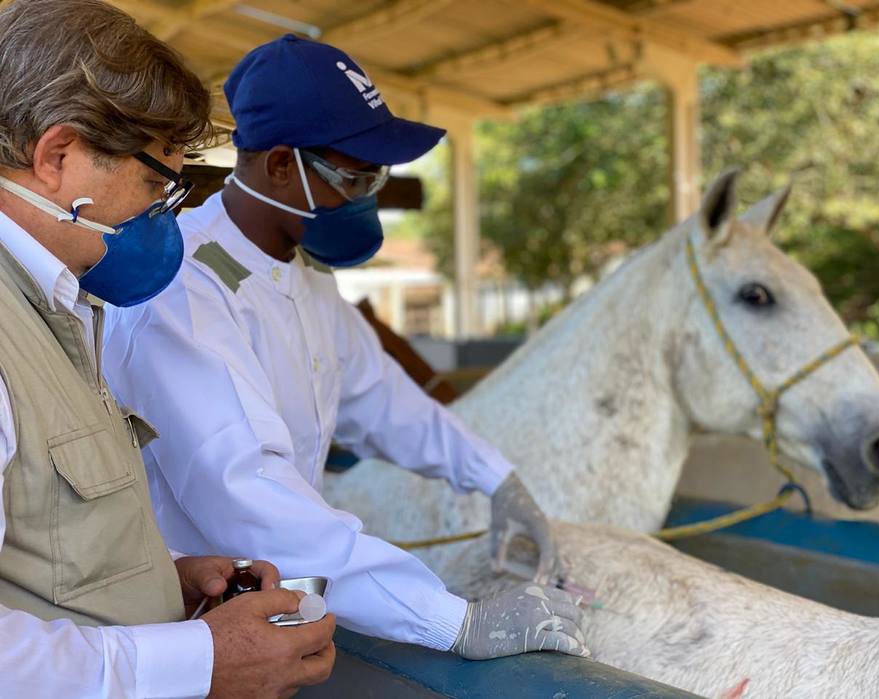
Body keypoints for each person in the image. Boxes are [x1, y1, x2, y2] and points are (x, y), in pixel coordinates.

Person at [103, 34, 588, 660]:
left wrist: (495, 478)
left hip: (270, 601)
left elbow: (382, 398)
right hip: (185, 626)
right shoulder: (182, 287)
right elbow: (252, 493)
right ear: (281, 166)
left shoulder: (303, 275)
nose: (367, 199)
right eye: (356, 178)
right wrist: (453, 621)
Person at [0, 2, 334, 697]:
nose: (165, 214)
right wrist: (198, 661)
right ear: (57, 156)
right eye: (157, 184)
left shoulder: (57, 308)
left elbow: (37, 551)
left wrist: (158, 577)